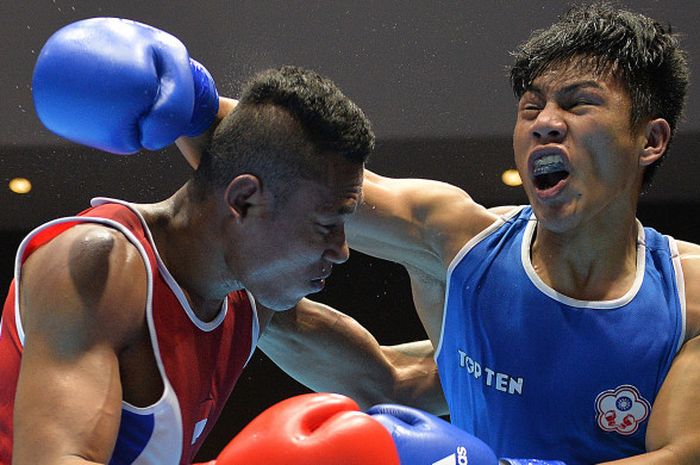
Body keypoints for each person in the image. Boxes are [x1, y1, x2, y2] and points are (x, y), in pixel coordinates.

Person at [256, 3, 700, 464]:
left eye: (577, 103)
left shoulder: (690, 298)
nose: (544, 121)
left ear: (650, 141)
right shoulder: (459, 241)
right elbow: (291, 166)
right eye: (531, 106)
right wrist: (192, 103)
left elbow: (685, 454)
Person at [0, 17, 405, 465]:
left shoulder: (250, 296)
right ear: (245, 201)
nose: (343, 251)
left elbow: (395, 383)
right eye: (327, 224)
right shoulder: (99, 267)